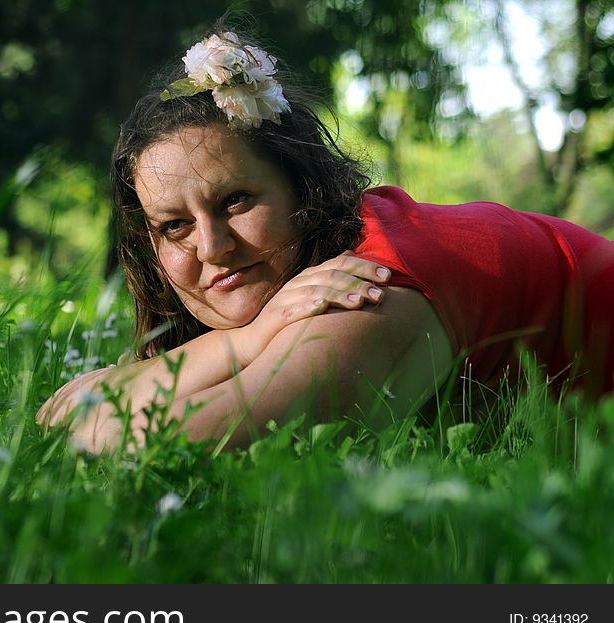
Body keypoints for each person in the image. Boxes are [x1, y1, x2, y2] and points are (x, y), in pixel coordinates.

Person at [39, 29, 614, 453]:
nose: (211, 247)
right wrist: (249, 340)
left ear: (304, 188)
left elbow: (165, 443)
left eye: (236, 201)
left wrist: (90, 419)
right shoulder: (301, 286)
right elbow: (67, 407)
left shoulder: (367, 292)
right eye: (174, 226)